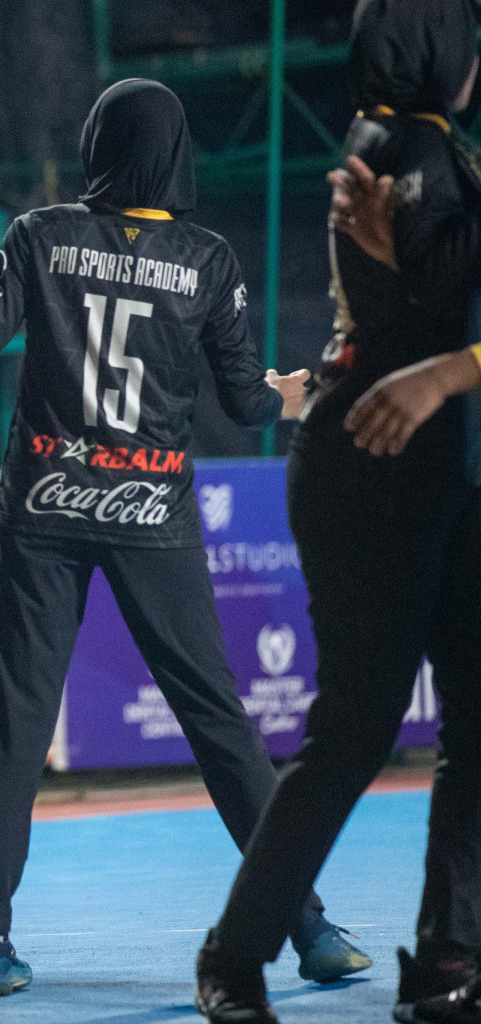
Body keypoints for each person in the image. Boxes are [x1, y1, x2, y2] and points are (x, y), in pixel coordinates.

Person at [0, 78, 371, 999]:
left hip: (47, 513)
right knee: (219, 722)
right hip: (152, 513)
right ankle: (305, 926)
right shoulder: (208, 257)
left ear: (100, 145)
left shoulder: (41, 235)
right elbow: (247, 406)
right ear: (177, 153)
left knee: (16, 726)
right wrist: (295, 394)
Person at [194, 2, 481, 1020]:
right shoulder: (426, 156)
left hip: (410, 461)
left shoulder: (394, 148)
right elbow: (445, 286)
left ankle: (444, 960)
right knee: (362, 728)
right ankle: (246, 956)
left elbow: (428, 295)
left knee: (404, 729)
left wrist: (447, 353)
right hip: (393, 460)